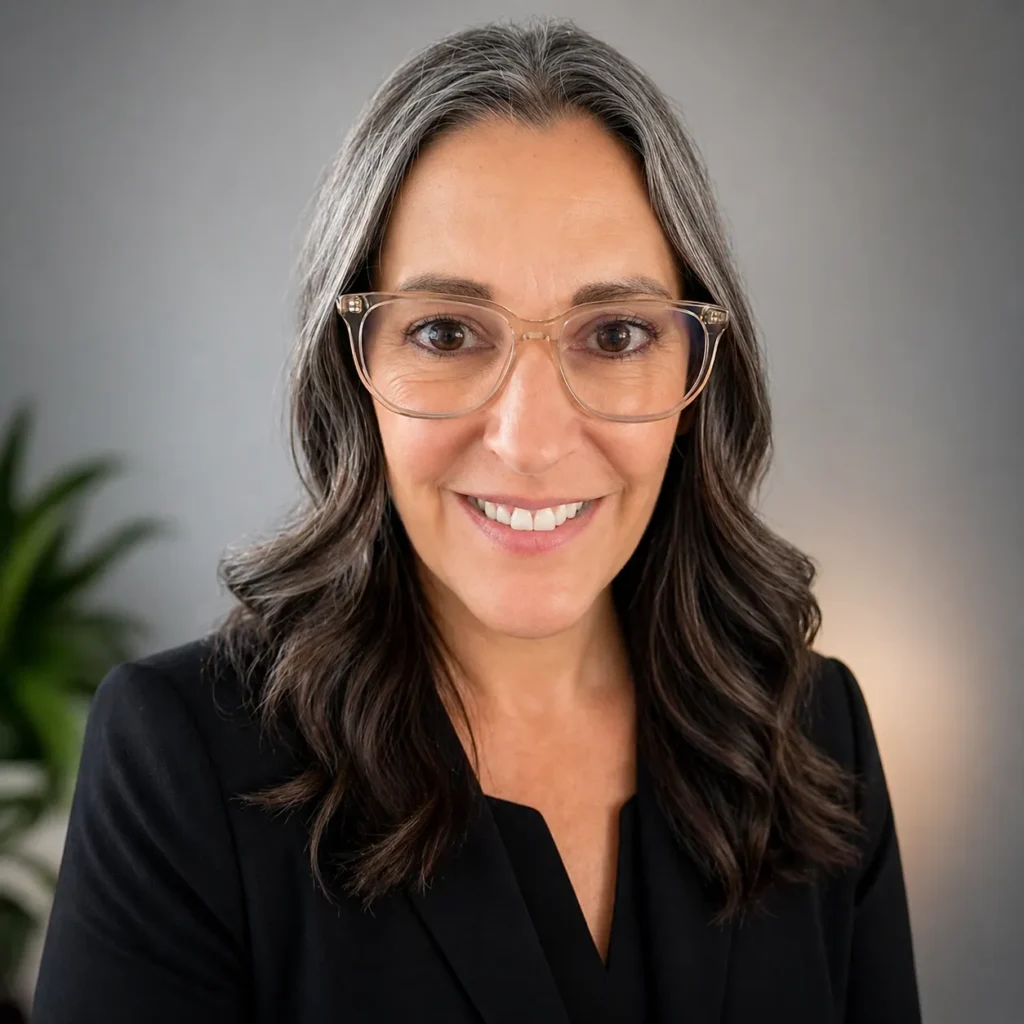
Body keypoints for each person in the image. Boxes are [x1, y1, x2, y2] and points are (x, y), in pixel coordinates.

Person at [32, 16, 922, 1024]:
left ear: (695, 374)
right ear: (352, 368)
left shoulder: (814, 733)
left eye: (616, 332)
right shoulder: (182, 762)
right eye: (446, 332)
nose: (530, 438)